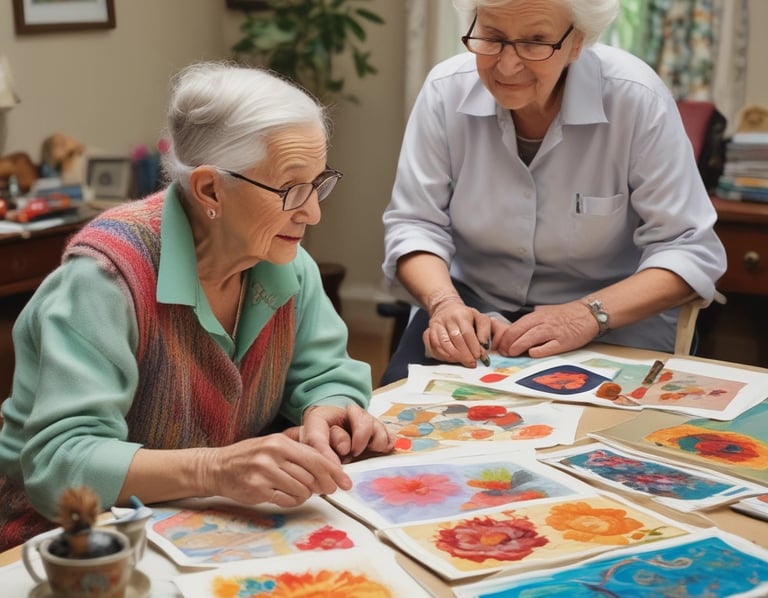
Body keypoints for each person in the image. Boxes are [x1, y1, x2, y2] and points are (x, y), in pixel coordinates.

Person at [0, 62, 394, 551]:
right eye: (292, 189)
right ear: (210, 189)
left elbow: (327, 372)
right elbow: (61, 465)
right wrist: (216, 468)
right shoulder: (105, 281)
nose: (312, 211)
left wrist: (329, 412)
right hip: (70, 540)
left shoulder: (285, 263)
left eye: (319, 183)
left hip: (209, 525)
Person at [380, 0, 726, 385]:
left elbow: (689, 248)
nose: (507, 65)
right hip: (472, 314)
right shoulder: (445, 91)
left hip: (612, 321)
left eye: (536, 42)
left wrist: (587, 315)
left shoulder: (635, 97)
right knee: (399, 431)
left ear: (577, 41)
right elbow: (414, 225)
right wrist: (444, 303)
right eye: (492, 37)